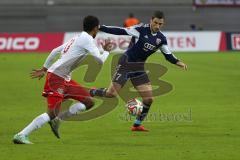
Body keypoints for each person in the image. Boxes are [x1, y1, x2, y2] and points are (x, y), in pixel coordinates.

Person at [13, 15, 112, 144]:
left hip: (64, 78)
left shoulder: (77, 37)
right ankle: (21, 135)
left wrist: (44, 68)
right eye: (97, 29)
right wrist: (106, 51)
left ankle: (58, 119)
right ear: (95, 28)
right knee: (51, 113)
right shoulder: (87, 39)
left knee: (88, 102)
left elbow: (55, 51)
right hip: (56, 78)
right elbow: (99, 60)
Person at [90, 11, 187, 131]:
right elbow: (120, 30)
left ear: (163, 23)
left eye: (160, 24)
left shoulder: (161, 38)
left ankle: (136, 125)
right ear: (151, 20)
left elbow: (168, 55)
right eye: (155, 22)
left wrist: (178, 62)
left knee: (149, 99)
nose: (157, 26)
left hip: (139, 68)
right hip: (126, 64)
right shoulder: (140, 29)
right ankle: (92, 92)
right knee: (111, 94)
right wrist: (100, 28)